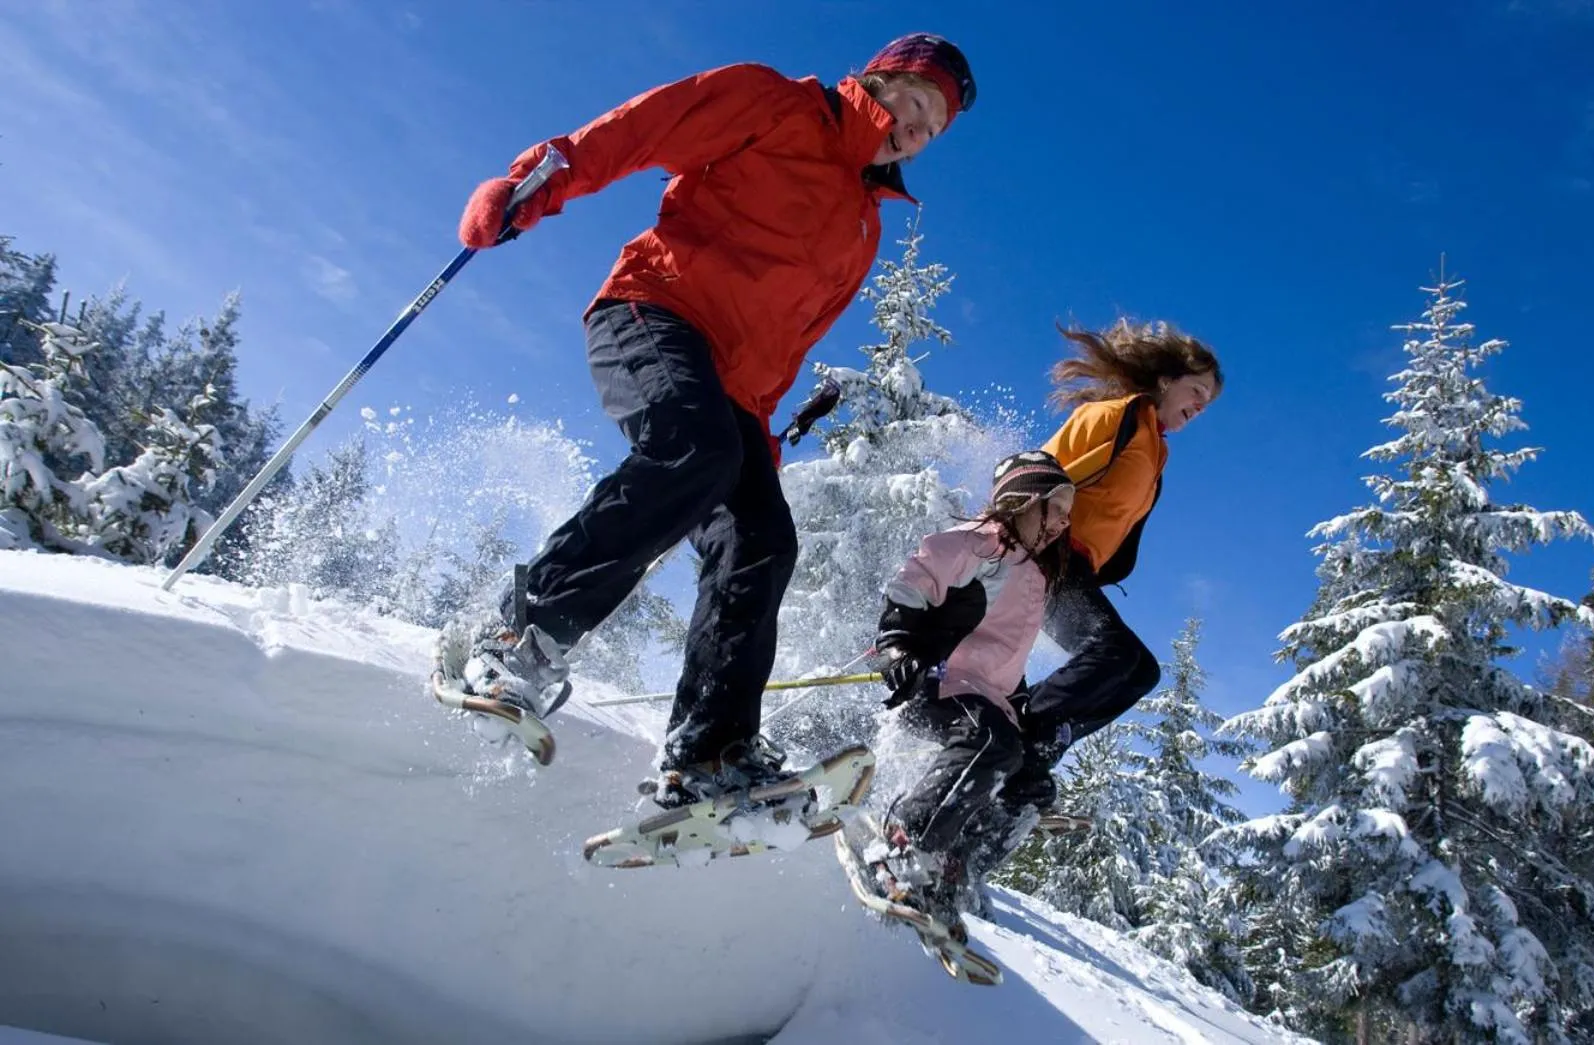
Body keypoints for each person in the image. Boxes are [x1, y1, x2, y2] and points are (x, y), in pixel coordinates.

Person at [435, 34, 978, 808]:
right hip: (654, 311)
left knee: (761, 539)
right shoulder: (779, 105)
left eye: (934, 129)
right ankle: (521, 637)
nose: (917, 131)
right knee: (692, 450)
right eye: (915, 104)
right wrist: (538, 179)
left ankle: (710, 753)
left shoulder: (865, 225)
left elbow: (784, 336)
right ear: (877, 81)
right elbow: (647, 125)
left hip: (734, 394)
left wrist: (758, 428)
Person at [961, 318, 1224, 892]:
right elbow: (1036, 478)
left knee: (1140, 669)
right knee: (1109, 652)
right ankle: (1018, 739)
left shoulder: (1156, 450)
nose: (1201, 407)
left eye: (1209, 403)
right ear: (1164, 377)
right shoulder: (1113, 418)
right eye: (1197, 392)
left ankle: (1027, 760)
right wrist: (992, 546)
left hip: (1074, 567)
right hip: (1040, 552)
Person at [859, 451, 1076, 935]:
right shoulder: (983, 543)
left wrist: (1022, 710)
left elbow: (1002, 657)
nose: (1063, 522)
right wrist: (897, 645)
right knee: (991, 742)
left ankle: (955, 866)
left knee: (1031, 784)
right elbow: (916, 578)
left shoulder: (1033, 576)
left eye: (1067, 514)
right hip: (936, 681)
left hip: (981, 698)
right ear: (1024, 500)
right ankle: (906, 841)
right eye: (1056, 508)